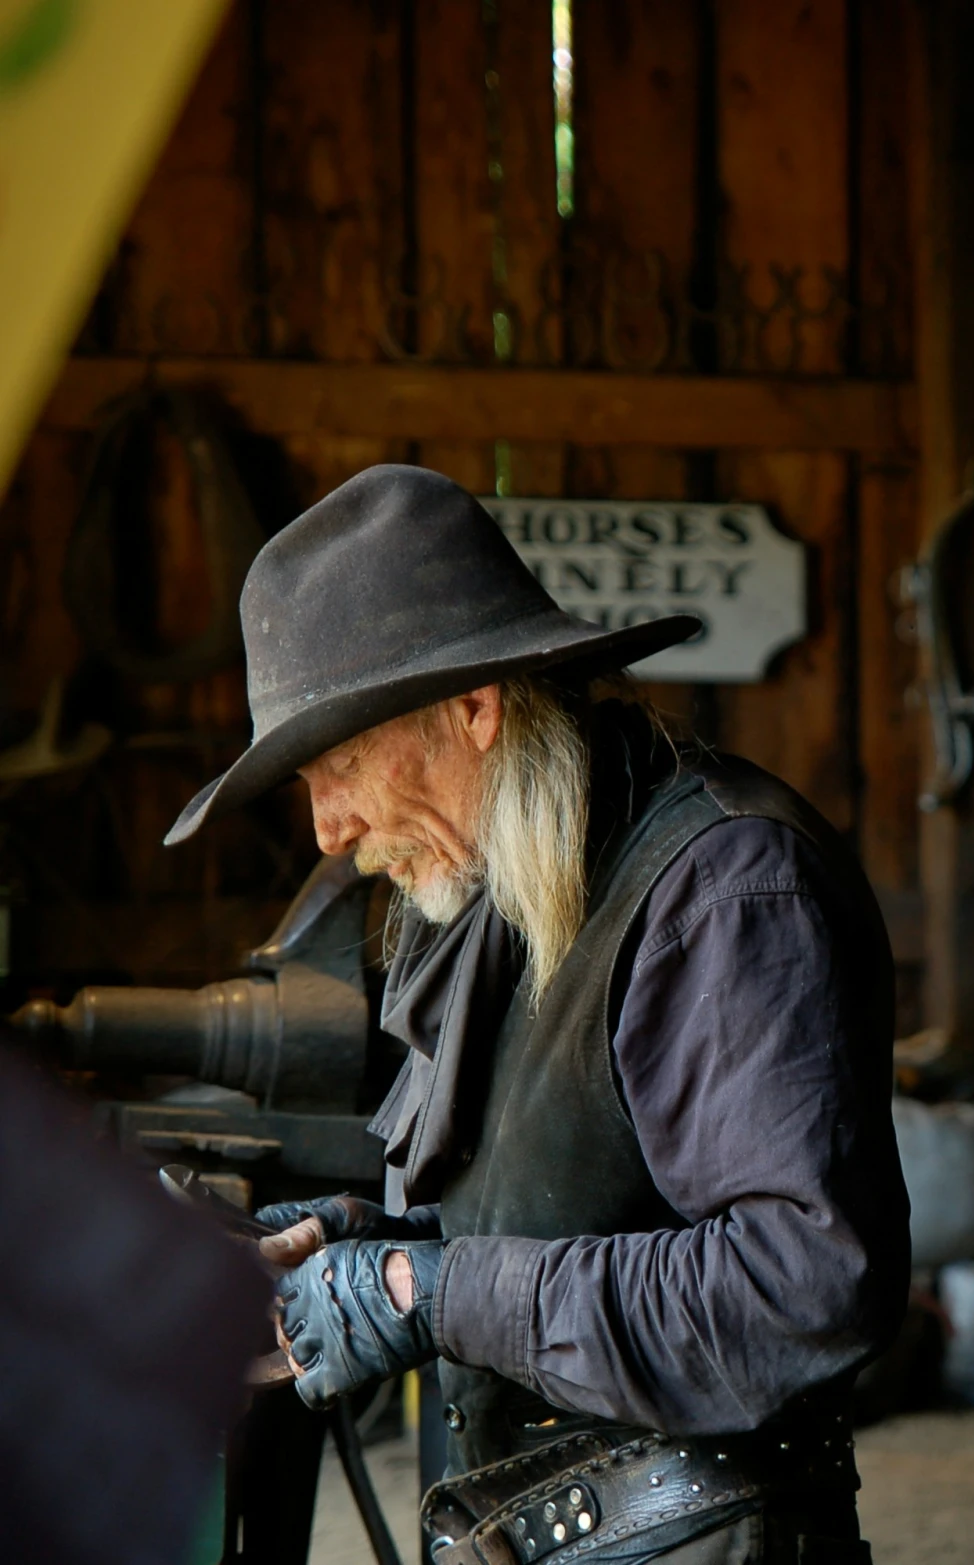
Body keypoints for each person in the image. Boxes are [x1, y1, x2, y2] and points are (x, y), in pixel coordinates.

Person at [165, 465, 907, 1563]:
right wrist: (366, 1244)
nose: (327, 829)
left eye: (344, 763)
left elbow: (798, 1289)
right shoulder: (500, 888)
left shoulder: (721, 889)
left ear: (474, 706)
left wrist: (425, 1289)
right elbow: (572, 1203)